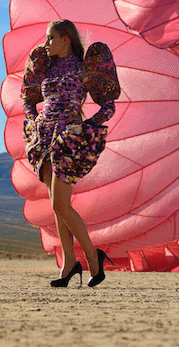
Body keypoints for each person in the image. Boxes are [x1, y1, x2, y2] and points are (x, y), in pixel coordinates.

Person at [22, 19, 121, 287]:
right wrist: (33, 120)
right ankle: (68, 264)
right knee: (57, 205)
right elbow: (28, 99)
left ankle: (93, 258)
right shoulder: (47, 66)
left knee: (59, 204)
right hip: (44, 137)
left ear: (66, 39)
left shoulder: (83, 68)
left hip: (68, 140)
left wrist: (88, 125)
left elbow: (109, 105)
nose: (46, 44)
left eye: (51, 38)